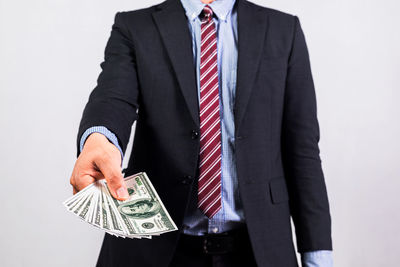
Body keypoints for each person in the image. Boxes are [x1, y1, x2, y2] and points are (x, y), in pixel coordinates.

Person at [69, 0, 333, 266]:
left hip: (259, 249)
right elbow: (113, 97)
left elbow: (303, 150)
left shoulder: (283, 29)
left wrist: (317, 256)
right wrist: (99, 140)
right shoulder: (135, 27)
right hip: (156, 248)